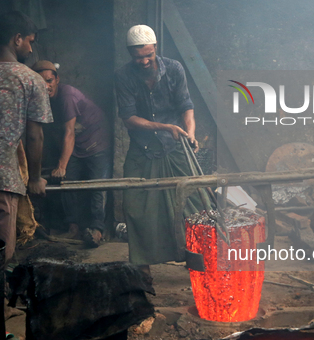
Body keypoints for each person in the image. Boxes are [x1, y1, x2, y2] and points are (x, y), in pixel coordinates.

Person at [115, 25, 211, 275]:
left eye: (148, 54)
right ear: (130, 54)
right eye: (138, 57)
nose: (144, 61)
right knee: (136, 209)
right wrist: (165, 126)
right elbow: (129, 118)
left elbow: (186, 105)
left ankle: (201, 267)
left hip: (175, 146)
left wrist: (189, 132)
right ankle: (143, 274)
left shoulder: (175, 69)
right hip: (143, 148)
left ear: (155, 48)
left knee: (194, 205)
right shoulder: (123, 76)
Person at [0, 11, 53, 263]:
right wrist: (36, 178)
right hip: (5, 178)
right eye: (30, 40)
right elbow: (34, 136)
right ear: (17, 39)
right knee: (0, 251)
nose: (30, 47)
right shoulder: (30, 79)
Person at [31, 60, 112, 248]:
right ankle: (73, 227)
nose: (46, 86)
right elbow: (57, 132)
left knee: (98, 186)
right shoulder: (43, 100)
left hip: (96, 141)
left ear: (57, 79)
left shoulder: (67, 95)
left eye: (50, 81)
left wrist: (61, 165)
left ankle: (98, 230)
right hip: (76, 143)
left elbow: (69, 133)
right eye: (41, 82)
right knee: (68, 183)